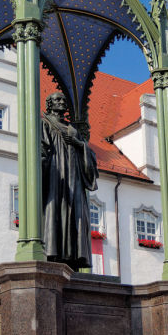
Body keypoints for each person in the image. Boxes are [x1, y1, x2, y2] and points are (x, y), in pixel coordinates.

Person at [41, 92, 98, 271]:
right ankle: (54, 253)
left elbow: (90, 156)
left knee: (76, 213)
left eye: (64, 100)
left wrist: (79, 144)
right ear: (49, 104)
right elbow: (41, 151)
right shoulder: (45, 123)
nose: (62, 102)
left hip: (75, 179)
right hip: (56, 176)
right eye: (57, 99)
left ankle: (73, 256)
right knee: (56, 211)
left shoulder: (73, 130)